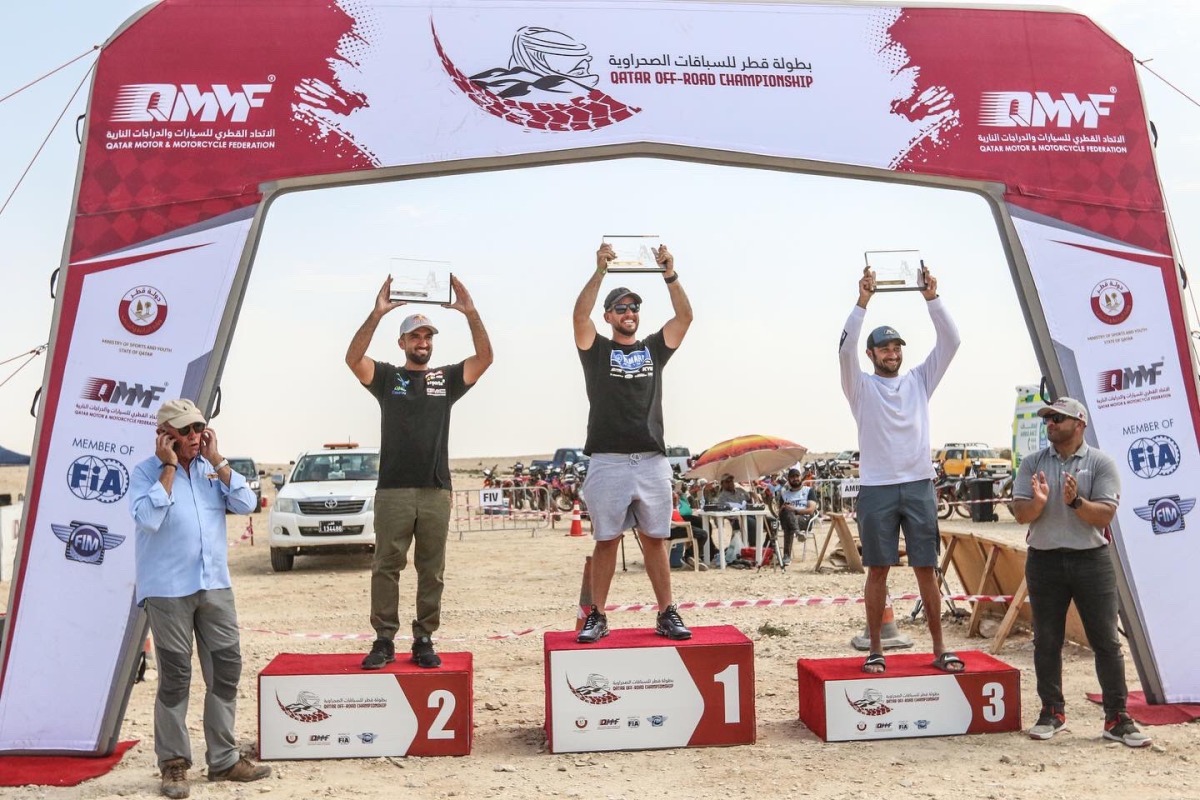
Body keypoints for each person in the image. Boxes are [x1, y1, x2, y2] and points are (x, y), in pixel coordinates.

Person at [346, 275, 492, 670]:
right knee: (386, 567)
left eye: (427, 337)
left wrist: (471, 312)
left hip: (435, 490)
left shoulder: (445, 380)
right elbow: (353, 360)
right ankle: (383, 640)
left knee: (432, 569)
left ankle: (424, 638)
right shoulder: (388, 378)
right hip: (393, 489)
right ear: (403, 343)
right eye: (415, 337)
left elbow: (485, 359)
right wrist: (376, 314)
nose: (422, 343)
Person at [129, 398, 271, 798]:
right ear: (166, 436)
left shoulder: (213, 469)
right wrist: (170, 468)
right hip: (168, 590)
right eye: (186, 431)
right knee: (175, 678)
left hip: (215, 585)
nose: (194, 436)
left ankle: (224, 760)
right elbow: (148, 519)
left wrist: (219, 459)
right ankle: (174, 764)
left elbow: (246, 504)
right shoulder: (145, 474)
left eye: (198, 429)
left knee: (226, 670)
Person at [839, 264, 961, 674]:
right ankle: (876, 648)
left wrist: (932, 298)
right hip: (877, 487)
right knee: (878, 569)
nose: (892, 353)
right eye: (884, 348)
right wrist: (862, 301)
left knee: (927, 568)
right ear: (871, 354)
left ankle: (940, 649)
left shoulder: (920, 380)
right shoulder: (861, 387)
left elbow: (952, 340)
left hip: (919, 483)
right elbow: (843, 349)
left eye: (896, 347)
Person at [1011, 397, 1150, 747]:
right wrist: (1038, 504)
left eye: (1058, 418)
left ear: (1080, 423)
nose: (1050, 423)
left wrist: (1075, 503)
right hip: (1043, 560)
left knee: (1106, 641)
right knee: (1046, 640)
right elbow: (1020, 514)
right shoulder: (1032, 463)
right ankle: (1051, 712)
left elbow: (1103, 517)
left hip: (1091, 561)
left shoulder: (1101, 462)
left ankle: (1117, 719)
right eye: (1048, 419)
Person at [573, 240, 694, 643]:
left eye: (634, 307)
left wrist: (669, 274)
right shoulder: (596, 349)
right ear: (608, 315)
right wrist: (600, 271)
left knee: (656, 539)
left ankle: (666, 612)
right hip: (607, 459)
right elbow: (578, 315)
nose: (629, 313)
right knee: (606, 541)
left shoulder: (653, 349)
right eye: (621, 308)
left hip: (651, 459)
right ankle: (598, 615)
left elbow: (685, 316)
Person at [776, 467, 819, 565]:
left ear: (801, 477)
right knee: (787, 513)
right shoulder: (784, 494)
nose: (795, 478)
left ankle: (787, 556)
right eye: (792, 477)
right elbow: (779, 514)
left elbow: (811, 509)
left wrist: (795, 510)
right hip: (789, 520)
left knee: (788, 521)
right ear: (789, 479)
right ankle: (797, 532)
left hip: (804, 520)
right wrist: (783, 508)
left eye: (797, 476)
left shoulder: (808, 491)